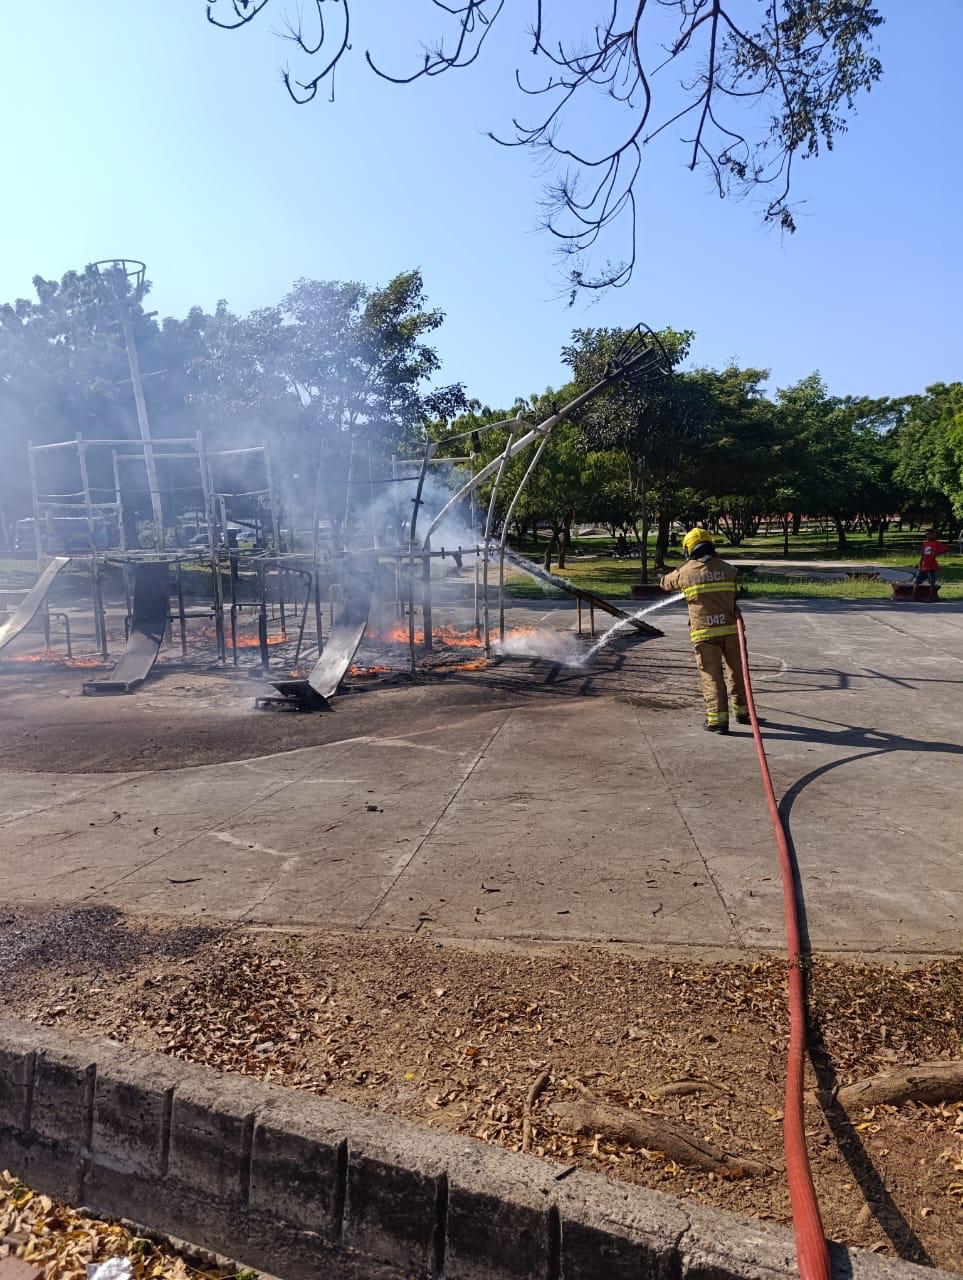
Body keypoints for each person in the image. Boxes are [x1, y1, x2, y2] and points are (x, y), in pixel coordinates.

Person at [660, 528, 748, 734]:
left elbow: (664, 584)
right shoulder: (729, 569)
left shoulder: (685, 572)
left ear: (688, 549)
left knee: (711, 675)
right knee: (737, 670)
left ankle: (717, 720)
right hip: (731, 631)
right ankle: (743, 712)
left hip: (704, 633)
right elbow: (736, 593)